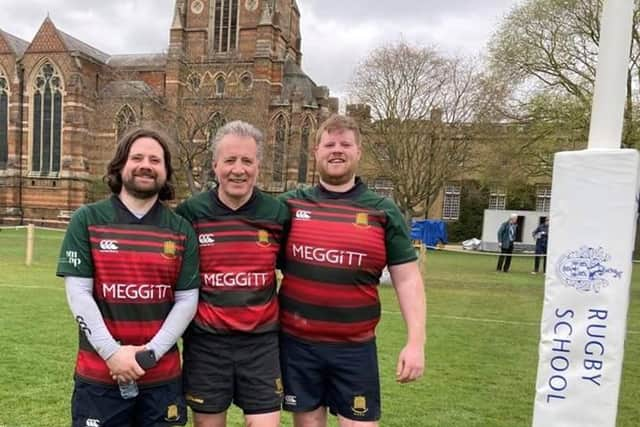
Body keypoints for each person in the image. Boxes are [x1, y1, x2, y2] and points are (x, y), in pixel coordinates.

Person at [278, 114, 426, 427]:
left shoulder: (382, 210)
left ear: (359, 152)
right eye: (329, 143)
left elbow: (408, 279)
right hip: (298, 346)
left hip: (355, 349)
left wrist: (416, 342)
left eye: (345, 144)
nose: (337, 150)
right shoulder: (289, 206)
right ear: (315, 151)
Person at [56, 126, 200, 427]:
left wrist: (149, 354)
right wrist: (112, 354)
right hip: (99, 377)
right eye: (137, 157)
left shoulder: (180, 228)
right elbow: (78, 296)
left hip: (162, 379)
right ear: (120, 165)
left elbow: (187, 300)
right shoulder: (88, 219)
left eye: (155, 160)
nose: (146, 165)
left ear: (166, 172)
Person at [176, 121, 289, 427]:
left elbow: (292, 270)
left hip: (261, 345)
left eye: (247, 161)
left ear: (258, 166)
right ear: (215, 166)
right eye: (230, 160)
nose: (238, 170)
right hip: (207, 345)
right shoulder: (191, 213)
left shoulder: (277, 213)